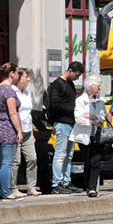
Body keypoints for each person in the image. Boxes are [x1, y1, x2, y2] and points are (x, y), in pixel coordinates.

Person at [48, 61, 84, 194]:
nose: (77, 78)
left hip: (71, 123)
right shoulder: (57, 85)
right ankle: (57, 184)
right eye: (76, 75)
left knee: (69, 155)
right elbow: (55, 104)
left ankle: (66, 182)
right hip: (62, 123)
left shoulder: (70, 84)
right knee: (60, 154)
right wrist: (74, 109)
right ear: (70, 71)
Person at [0, 62, 23, 201]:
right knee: (7, 162)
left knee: (2, 162)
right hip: (8, 129)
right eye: (17, 73)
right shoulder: (9, 91)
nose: (18, 76)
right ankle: (6, 191)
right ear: (11, 74)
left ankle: (1, 190)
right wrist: (19, 131)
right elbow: (13, 113)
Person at [70, 75, 106, 197]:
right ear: (90, 87)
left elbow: (102, 116)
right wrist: (92, 120)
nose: (100, 89)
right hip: (84, 135)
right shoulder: (80, 100)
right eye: (98, 86)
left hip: (96, 134)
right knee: (88, 161)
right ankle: (87, 185)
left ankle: (92, 188)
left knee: (96, 161)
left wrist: (93, 117)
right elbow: (79, 119)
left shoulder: (100, 100)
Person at [11, 67, 41, 196]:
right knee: (16, 161)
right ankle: (13, 188)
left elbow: (29, 114)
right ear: (18, 78)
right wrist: (18, 131)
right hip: (15, 130)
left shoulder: (28, 93)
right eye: (25, 77)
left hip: (28, 130)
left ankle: (31, 187)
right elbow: (13, 112)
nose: (28, 80)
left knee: (32, 158)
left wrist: (32, 132)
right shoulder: (12, 92)